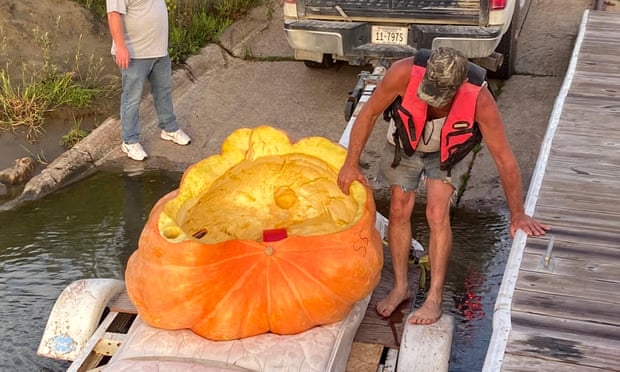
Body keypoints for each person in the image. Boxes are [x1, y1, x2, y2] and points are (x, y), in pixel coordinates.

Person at [337, 47, 550, 325]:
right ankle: (400, 286)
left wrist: (517, 213)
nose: (434, 102)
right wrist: (351, 163)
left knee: (437, 214)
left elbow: (504, 159)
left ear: (459, 86)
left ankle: (434, 297)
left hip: (449, 152)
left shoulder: (480, 99)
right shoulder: (402, 73)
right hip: (406, 142)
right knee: (400, 209)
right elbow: (368, 115)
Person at [106, 0, 191, 161]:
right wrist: (121, 47)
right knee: (132, 97)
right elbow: (113, 15)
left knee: (163, 90)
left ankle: (169, 128)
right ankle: (129, 141)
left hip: (159, 51)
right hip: (135, 53)